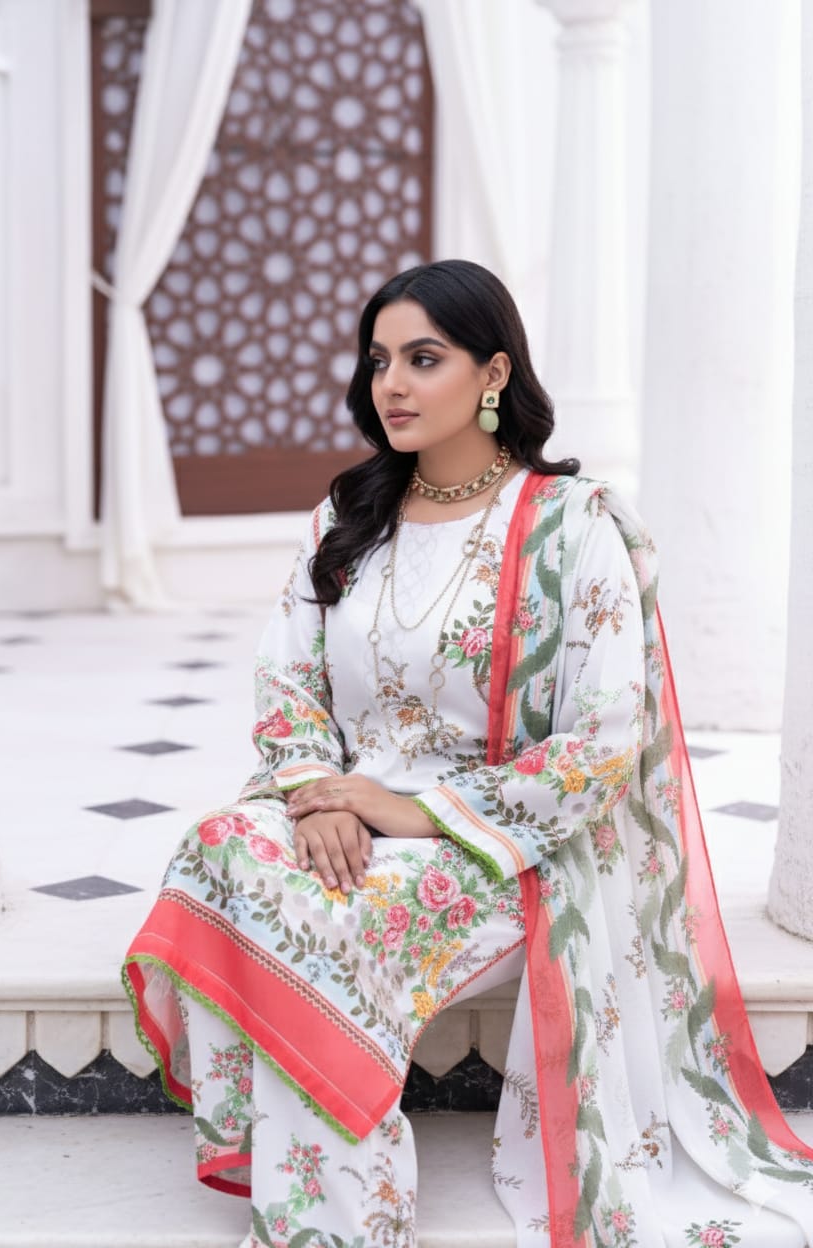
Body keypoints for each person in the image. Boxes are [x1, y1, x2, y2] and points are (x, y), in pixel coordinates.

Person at [124, 260, 813, 1248]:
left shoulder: (573, 526)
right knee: (217, 847)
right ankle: (334, 1195)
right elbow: (288, 682)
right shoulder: (347, 519)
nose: (391, 385)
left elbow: (605, 740)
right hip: (343, 816)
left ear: (493, 374)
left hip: (500, 845)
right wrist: (319, 793)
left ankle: (336, 1223)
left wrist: (414, 813)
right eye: (378, 361)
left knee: (317, 910)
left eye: (423, 358)